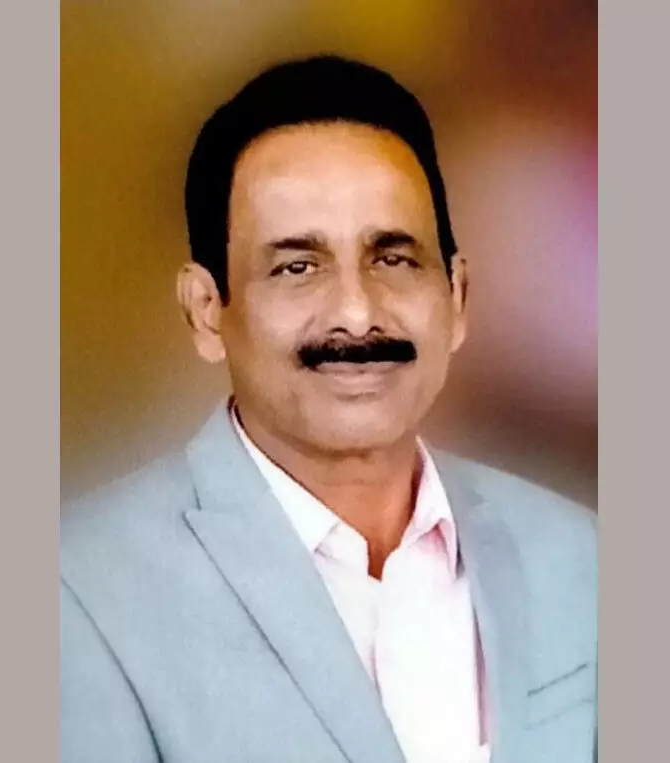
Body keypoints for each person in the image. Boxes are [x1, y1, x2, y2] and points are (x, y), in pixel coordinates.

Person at [60, 55, 596, 763]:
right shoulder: (82, 590)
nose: (357, 312)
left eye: (394, 259)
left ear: (457, 297)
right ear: (206, 311)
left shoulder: (575, 554)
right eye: (297, 266)